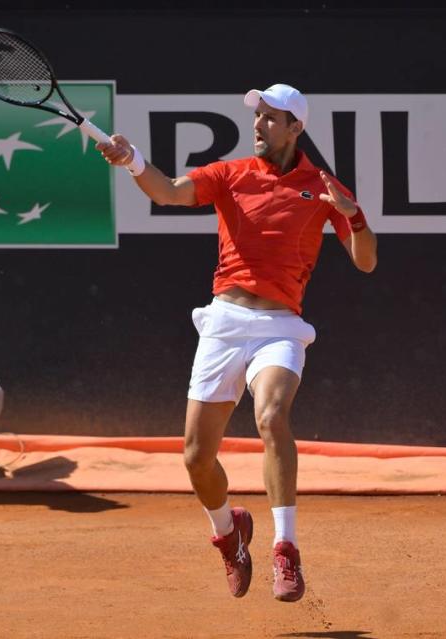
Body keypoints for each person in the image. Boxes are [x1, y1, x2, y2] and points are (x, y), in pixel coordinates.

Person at [97, 83, 377, 602]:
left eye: (272, 117)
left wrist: (354, 215)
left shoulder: (321, 185)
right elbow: (168, 191)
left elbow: (366, 260)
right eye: (258, 115)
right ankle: (230, 533)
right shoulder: (230, 174)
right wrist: (132, 158)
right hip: (224, 323)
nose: (259, 124)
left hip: (280, 328)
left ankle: (286, 550)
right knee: (196, 458)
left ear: (296, 128)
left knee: (271, 416)